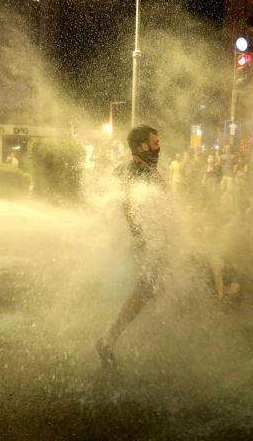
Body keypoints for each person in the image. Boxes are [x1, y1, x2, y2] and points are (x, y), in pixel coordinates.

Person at [96, 124, 168, 371]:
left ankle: (130, 338)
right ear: (143, 146)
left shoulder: (128, 169)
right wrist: (140, 238)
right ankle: (108, 340)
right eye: (156, 143)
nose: (160, 148)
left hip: (144, 242)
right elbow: (126, 202)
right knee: (145, 290)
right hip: (144, 244)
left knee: (152, 291)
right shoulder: (138, 171)